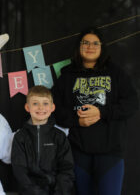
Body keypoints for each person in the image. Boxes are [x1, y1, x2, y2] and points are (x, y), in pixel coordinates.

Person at [52, 27, 139, 195]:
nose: (90, 47)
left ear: (102, 47)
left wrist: (102, 113)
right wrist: (76, 121)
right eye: (85, 43)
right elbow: (54, 109)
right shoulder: (67, 76)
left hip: (110, 152)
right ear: (79, 47)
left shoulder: (116, 73)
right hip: (78, 153)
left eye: (95, 43)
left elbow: (132, 104)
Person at [11, 85, 75, 195]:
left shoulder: (59, 136)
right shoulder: (20, 137)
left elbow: (66, 168)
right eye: (35, 103)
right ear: (27, 107)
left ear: (52, 107)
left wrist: (60, 192)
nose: (41, 108)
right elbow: (20, 170)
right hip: (30, 192)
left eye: (45, 103)